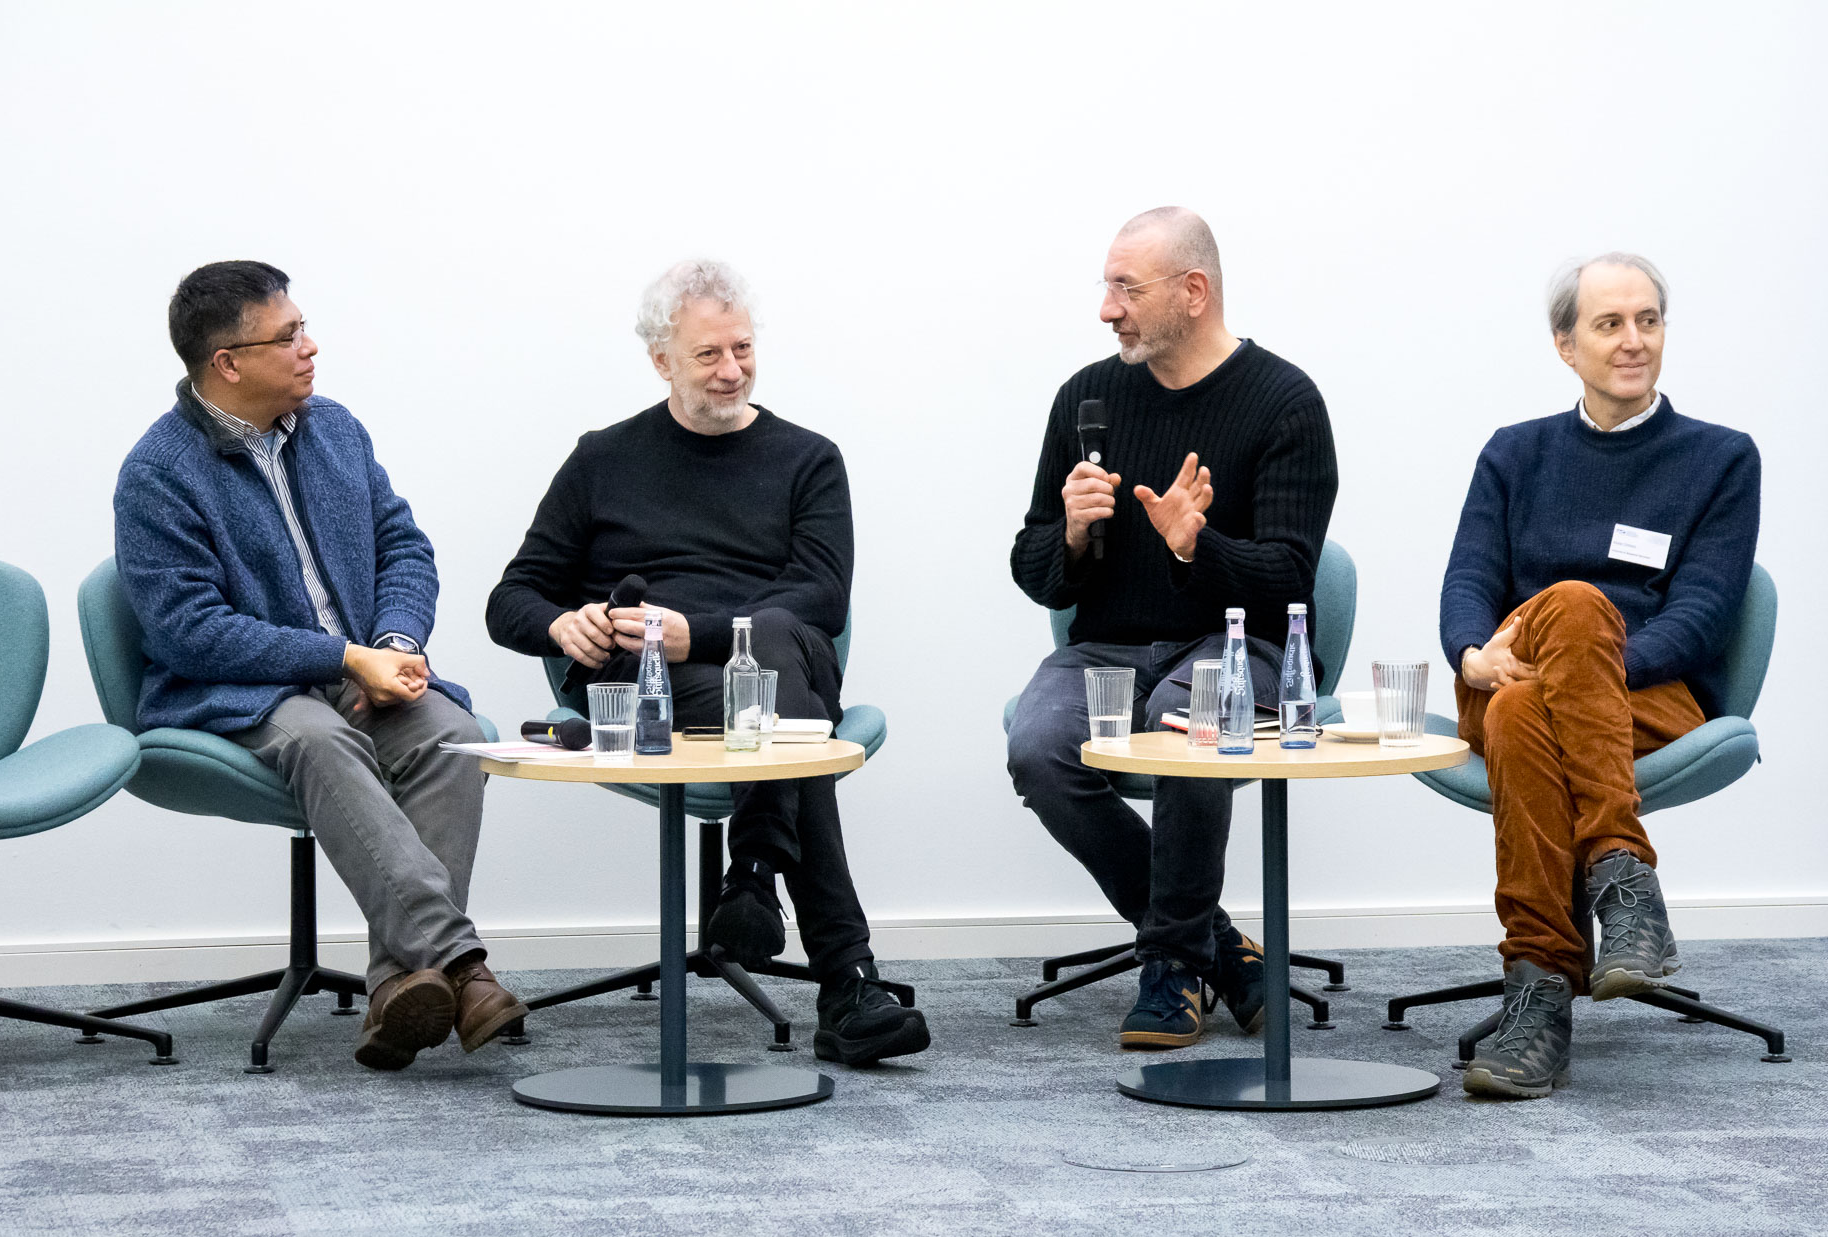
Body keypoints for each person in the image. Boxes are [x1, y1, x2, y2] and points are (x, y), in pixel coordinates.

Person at [486, 259, 929, 1066]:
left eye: (743, 349)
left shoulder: (809, 459)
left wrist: (706, 632)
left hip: (761, 666)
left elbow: (824, 600)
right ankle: (843, 975)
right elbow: (509, 599)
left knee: (783, 643)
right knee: (789, 703)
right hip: (647, 685)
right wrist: (561, 624)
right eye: (708, 355)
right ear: (661, 360)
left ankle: (758, 866)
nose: (732, 370)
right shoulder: (601, 459)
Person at [113, 260, 524, 1072]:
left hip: (364, 666)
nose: (310, 346)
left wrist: (396, 648)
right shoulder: (157, 473)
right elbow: (190, 632)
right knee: (319, 740)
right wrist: (341, 656)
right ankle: (463, 966)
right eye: (288, 334)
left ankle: (397, 989)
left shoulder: (335, 429)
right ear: (227, 363)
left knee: (453, 733)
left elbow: (405, 547)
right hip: (237, 690)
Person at [1007, 208, 1339, 1049]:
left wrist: (1200, 547)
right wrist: (1073, 533)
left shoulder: (1285, 403)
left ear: (1194, 292)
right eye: (1107, 287)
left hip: (1238, 647)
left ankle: (1168, 964)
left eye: (1128, 288)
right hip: (1109, 647)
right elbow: (1030, 562)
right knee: (1038, 746)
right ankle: (1212, 947)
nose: (1108, 309)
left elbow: (1293, 583)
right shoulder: (1087, 398)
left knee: (1183, 725)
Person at [1443, 253, 1761, 1100]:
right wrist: (1472, 654)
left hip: (1648, 696)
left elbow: (1703, 614)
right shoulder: (1515, 453)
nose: (1633, 341)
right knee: (1539, 656)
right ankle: (1625, 882)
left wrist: (1575, 659)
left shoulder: (1721, 458)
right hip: (1508, 667)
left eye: (1648, 321)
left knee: (1530, 696)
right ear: (1564, 344)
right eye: (1609, 324)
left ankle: (1538, 992)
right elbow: (1469, 582)